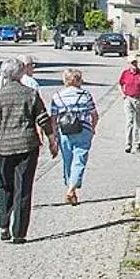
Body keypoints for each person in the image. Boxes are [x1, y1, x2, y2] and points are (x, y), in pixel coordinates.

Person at [0, 58, 57, 243]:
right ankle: (19, 232)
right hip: (27, 146)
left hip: (2, 148)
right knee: (23, 188)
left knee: (5, 184)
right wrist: (52, 140)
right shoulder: (30, 94)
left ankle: (3, 225)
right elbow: (43, 119)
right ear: (21, 73)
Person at [50, 68, 98, 205]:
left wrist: (53, 137)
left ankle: (70, 188)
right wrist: (93, 128)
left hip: (64, 132)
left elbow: (53, 118)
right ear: (78, 80)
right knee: (80, 159)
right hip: (83, 130)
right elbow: (94, 114)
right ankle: (71, 189)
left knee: (67, 160)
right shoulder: (85, 95)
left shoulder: (57, 96)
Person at [118, 55, 140, 153]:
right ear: (129, 64)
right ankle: (128, 144)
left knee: (138, 122)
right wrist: (123, 95)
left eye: (135, 62)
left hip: (139, 98)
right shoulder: (125, 73)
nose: (134, 65)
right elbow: (120, 84)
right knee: (129, 121)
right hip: (128, 98)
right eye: (132, 63)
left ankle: (138, 144)